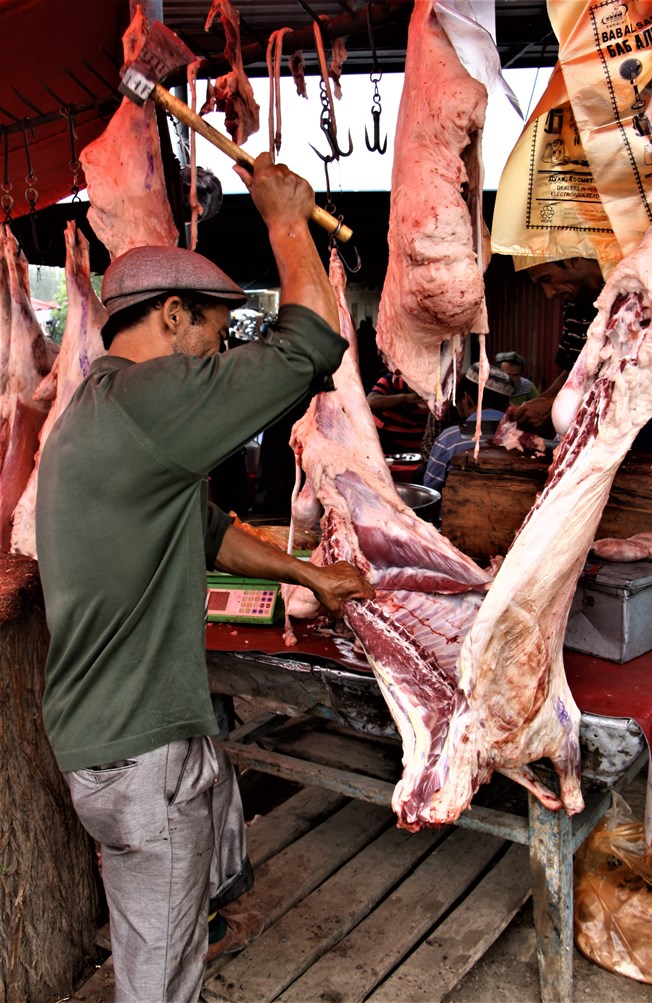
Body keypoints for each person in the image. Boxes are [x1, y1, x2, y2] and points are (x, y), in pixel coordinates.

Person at [35, 152, 375, 1003]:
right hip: (134, 754)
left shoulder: (104, 409)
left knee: (205, 835)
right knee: (159, 979)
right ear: (175, 313)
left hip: (125, 738)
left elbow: (210, 531)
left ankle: (206, 903)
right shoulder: (146, 401)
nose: (214, 359)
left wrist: (306, 574)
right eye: (215, 339)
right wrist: (285, 220)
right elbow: (309, 346)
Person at [509, 257, 603, 433]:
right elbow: (572, 369)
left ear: (573, 261)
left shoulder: (627, 296)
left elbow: (626, 379)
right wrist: (538, 403)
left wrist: (553, 406)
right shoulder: (573, 302)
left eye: (547, 279)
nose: (549, 293)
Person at [423, 363, 513, 493]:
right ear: (507, 404)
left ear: (467, 399)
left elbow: (431, 490)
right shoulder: (525, 436)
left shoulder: (448, 439)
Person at [366, 371, 428, 455]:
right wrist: (404, 398)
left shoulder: (437, 387)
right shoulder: (391, 380)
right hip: (385, 448)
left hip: (419, 453)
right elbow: (370, 402)